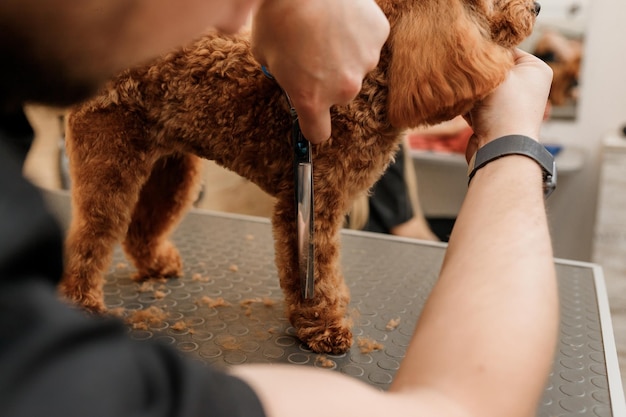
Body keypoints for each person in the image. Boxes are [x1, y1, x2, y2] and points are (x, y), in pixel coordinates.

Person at [0, 2, 558, 417]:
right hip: (127, 101)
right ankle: (80, 283)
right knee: (106, 202)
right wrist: (512, 139)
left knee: (173, 176)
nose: (236, 19)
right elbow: (461, 404)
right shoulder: (42, 369)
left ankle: (145, 247)